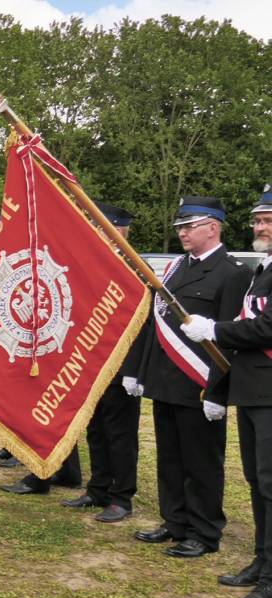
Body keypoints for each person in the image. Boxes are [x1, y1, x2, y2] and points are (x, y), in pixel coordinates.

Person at [129, 196, 251, 558]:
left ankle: (204, 531)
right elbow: (155, 325)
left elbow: (228, 340)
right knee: (169, 457)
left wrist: (217, 392)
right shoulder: (175, 268)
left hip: (199, 384)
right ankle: (175, 521)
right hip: (166, 379)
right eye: (179, 227)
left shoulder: (232, 272)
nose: (182, 233)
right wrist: (140, 372)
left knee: (201, 462)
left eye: (189, 226)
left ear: (212, 227)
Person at [181, 186, 272, 598]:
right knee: (257, 481)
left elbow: (266, 328)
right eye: (258, 220)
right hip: (254, 390)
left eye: (268, 221)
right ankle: (263, 561)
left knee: (270, 484)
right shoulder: (262, 269)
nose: (260, 227)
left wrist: (214, 330)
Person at [60, 202, 142, 523]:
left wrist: (133, 371)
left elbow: (141, 325)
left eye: (101, 228)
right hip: (91, 362)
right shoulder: (94, 265)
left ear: (118, 231)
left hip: (120, 367)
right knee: (95, 430)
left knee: (120, 435)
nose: (95, 233)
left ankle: (121, 497)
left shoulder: (134, 268)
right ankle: (98, 489)